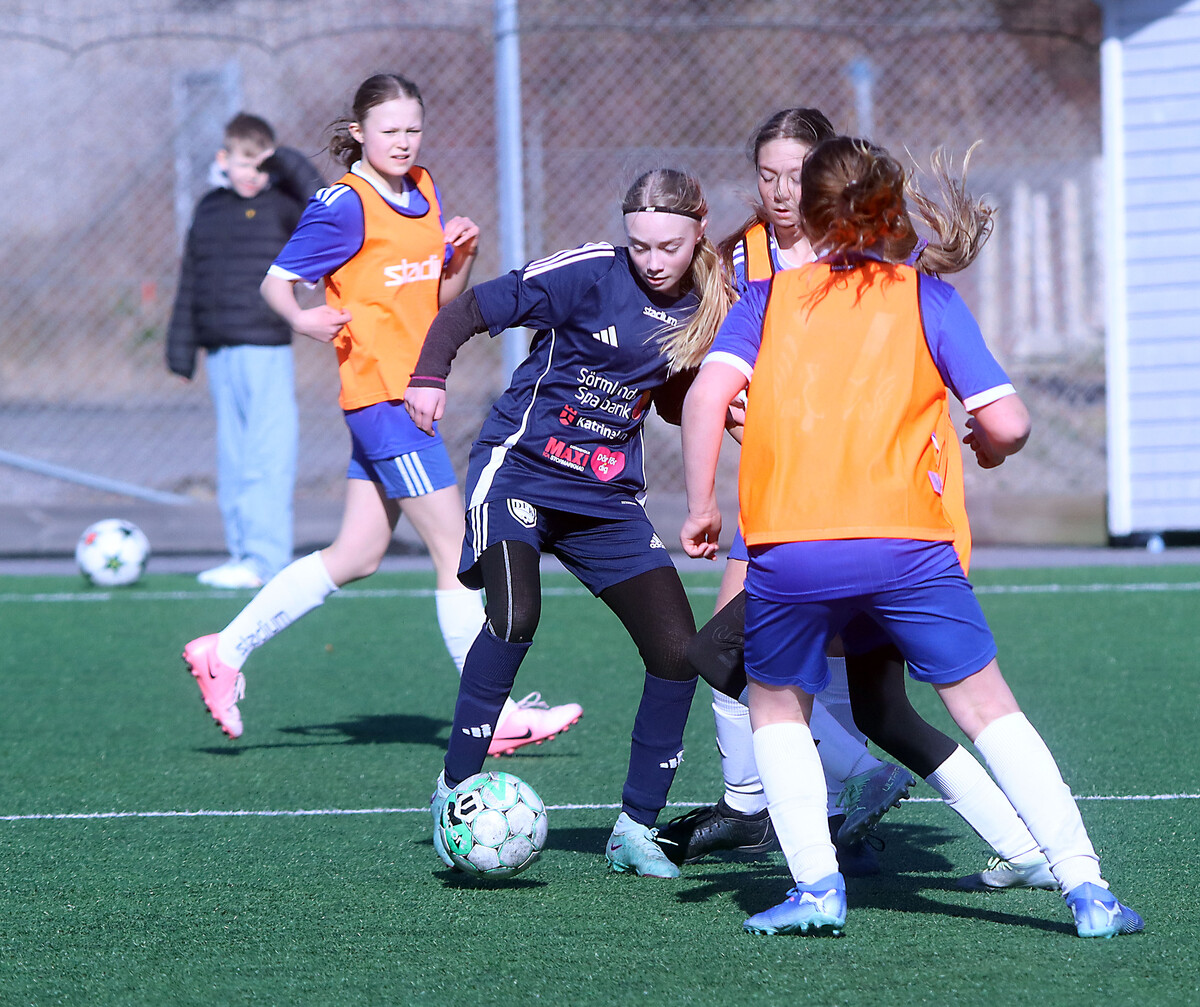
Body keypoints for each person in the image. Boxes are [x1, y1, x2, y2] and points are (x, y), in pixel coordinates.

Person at [680, 135, 1143, 939]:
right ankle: (1087, 887)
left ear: (810, 218)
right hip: (910, 548)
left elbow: (704, 397)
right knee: (986, 706)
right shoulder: (927, 297)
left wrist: (699, 506)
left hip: (793, 547)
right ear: (891, 210)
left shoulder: (766, 300)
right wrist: (989, 445)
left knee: (776, 705)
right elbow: (1008, 421)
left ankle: (816, 887)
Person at [181, 74, 581, 750]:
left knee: (358, 553)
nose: (403, 141)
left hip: (409, 395)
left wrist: (462, 256)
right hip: (384, 399)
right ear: (359, 132)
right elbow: (276, 281)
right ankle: (496, 715)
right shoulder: (344, 203)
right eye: (389, 130)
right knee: (458, 551)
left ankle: (224, 650)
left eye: (412, 129)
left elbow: (438, 298)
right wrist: (301, 320)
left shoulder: (422, 187)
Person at [406, 168, 732, 879]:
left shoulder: (712, 302)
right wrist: (429, 374)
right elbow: (472, 309)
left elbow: (671, 396)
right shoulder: (589, 272)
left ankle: (635, 829)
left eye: (668, 246)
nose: (652, 260)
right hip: (519, 470)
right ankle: (453, 791)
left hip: (606, 498)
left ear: (699, 229)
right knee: (515, 614)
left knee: (679, 653)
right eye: (640, 245)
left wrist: (725, 407)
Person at [167, 113, 323, 590]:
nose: (252, 174)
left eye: (261, 164)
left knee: (267, 455)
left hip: (265, 346)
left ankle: (266, 558)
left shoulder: (283, 204)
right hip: (219, 349)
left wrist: (286, 161)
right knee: (233, 458)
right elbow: (192, 277)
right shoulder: (209, 208)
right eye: (243, 163)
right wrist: (180, 348)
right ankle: (242, 554)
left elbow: (323, 204)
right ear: (223, 159)